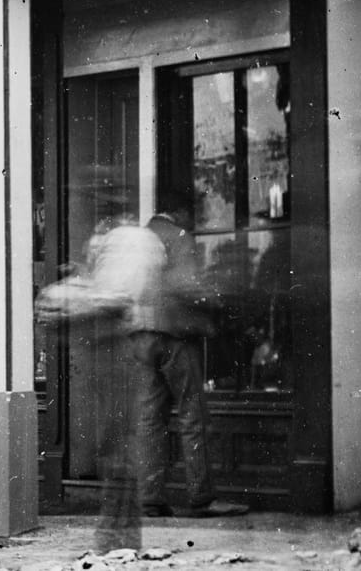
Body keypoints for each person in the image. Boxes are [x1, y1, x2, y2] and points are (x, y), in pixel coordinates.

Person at [131, 202, 248, 519]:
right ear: (179, 212)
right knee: (192, 415)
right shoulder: (179, 236)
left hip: (141, 334)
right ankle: (201, 497)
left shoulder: (139, 239)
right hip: (175, 335)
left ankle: (149, 498)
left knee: (149, 420)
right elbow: (185, 285)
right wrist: (217, 297)